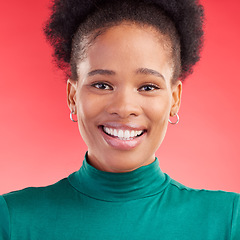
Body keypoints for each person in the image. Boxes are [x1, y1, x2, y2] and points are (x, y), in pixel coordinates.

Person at [0, 0, 239, 239]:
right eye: (102, 85)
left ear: (174, 99)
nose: (124, 108)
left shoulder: (229, 219)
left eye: (147, 87)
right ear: (73, 96)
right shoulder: (12, 219)